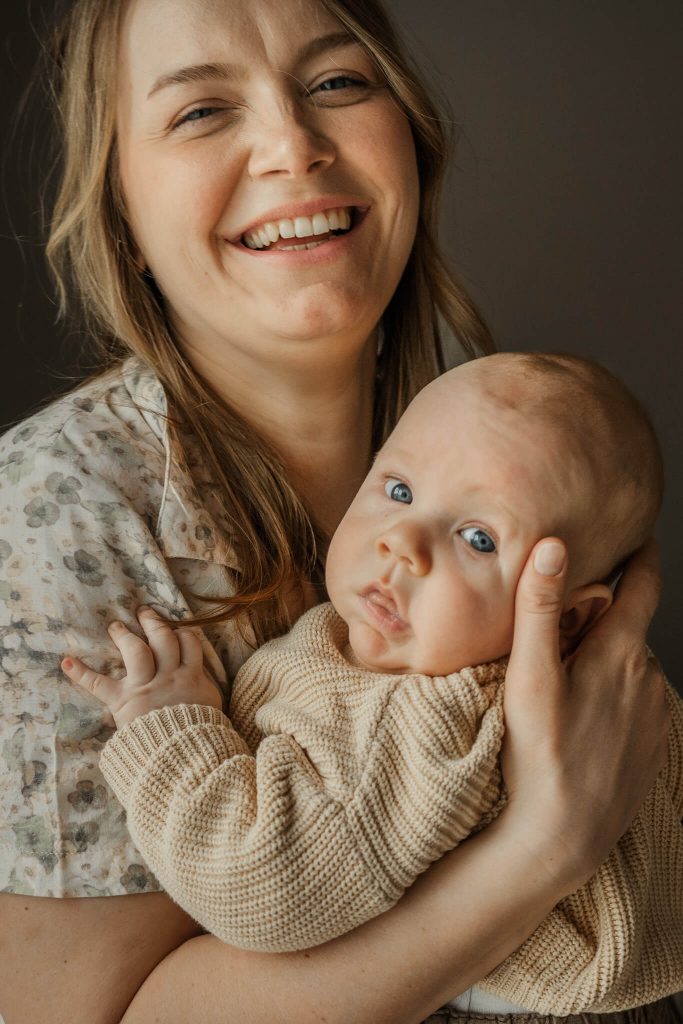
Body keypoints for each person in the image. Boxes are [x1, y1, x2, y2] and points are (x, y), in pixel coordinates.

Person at [0, 0, 673, 1022]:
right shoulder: (54, 520)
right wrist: (544, 848)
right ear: (122, 216)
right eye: (200, 110)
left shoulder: (505, 442)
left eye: (335, 83)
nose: (292, 144)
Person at [63, 351, 683, 1016]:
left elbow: (263, 888)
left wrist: (171, 729)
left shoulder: (436, 716)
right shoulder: (558, 679)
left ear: (566, 621)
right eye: (400, 491)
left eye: (477, 538)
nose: (402, 543)